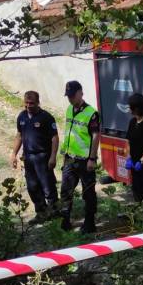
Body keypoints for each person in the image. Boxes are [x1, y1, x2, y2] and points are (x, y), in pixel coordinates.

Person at [57, 80, 101, 233]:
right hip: (70, 158)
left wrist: (92, 158)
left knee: (88, 193)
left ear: (80, 93)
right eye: (68, 96)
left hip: (84, 160)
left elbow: (96, 136)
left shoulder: (91, 113)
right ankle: (65, 221)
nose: (70, 99)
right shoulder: (69, 109)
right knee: (66, 191)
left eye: (72, 95)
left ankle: (89, 223)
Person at [10, 90, 58, 224]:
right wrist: (14, 153)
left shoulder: (46, 117)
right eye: (26, 103)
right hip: (28, 158)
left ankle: (54, 212)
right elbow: (19, 135)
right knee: (32, 186)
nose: (29, 106)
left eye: (32, 103)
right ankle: (41, 213)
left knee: (47, 186)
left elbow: (54, 138)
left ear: (38, 102)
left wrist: (53, 157)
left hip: (43, 157)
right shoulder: (22, 117)